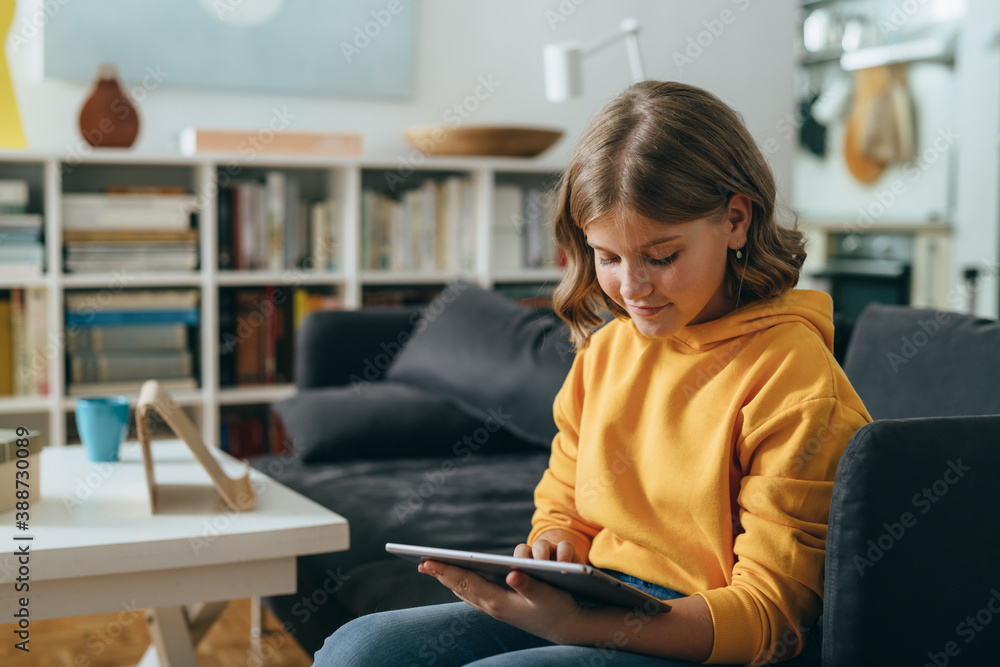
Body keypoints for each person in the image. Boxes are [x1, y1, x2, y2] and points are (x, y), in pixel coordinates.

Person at [313, 80, 871, 666]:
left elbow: (769, 619)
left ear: (736, 220)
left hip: (707, 632)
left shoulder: (794, 377)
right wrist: (558, 541)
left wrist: (582, 625)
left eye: (661, 257)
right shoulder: (607, 351)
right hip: (608, 595)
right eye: (608, 258)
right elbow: (565, 494)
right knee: (360, 649)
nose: (632, 289)